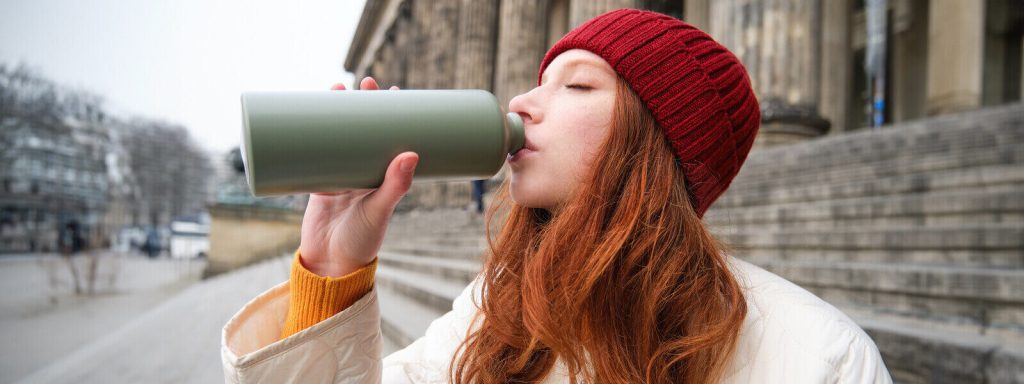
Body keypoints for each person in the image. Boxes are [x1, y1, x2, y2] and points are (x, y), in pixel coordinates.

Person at [221, 9, 892, 383]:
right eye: (540, 81)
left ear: (660, 140)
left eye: (576, 86)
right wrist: (333, 272)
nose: (521, 102)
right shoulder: (494, 311)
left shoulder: (822, 358)